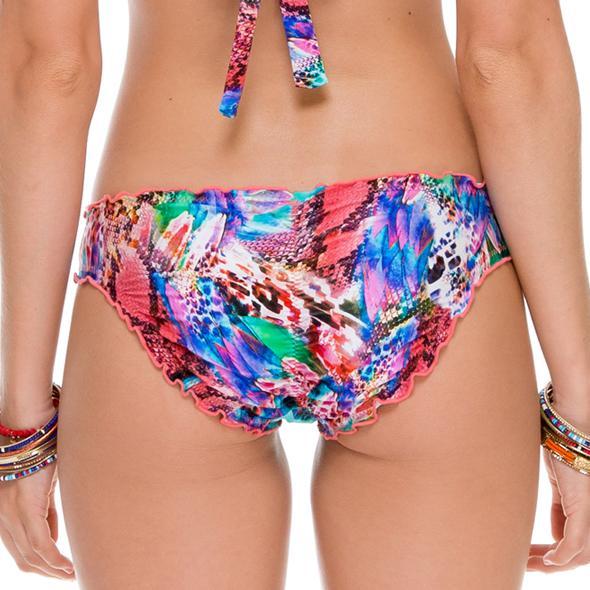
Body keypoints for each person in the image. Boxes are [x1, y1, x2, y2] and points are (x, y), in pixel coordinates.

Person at [1, 0, 589, 588]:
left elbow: (50, 69)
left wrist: (23, 431)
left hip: (171, 246)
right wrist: (581, 412)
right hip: (410, 237)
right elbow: (505, 58)